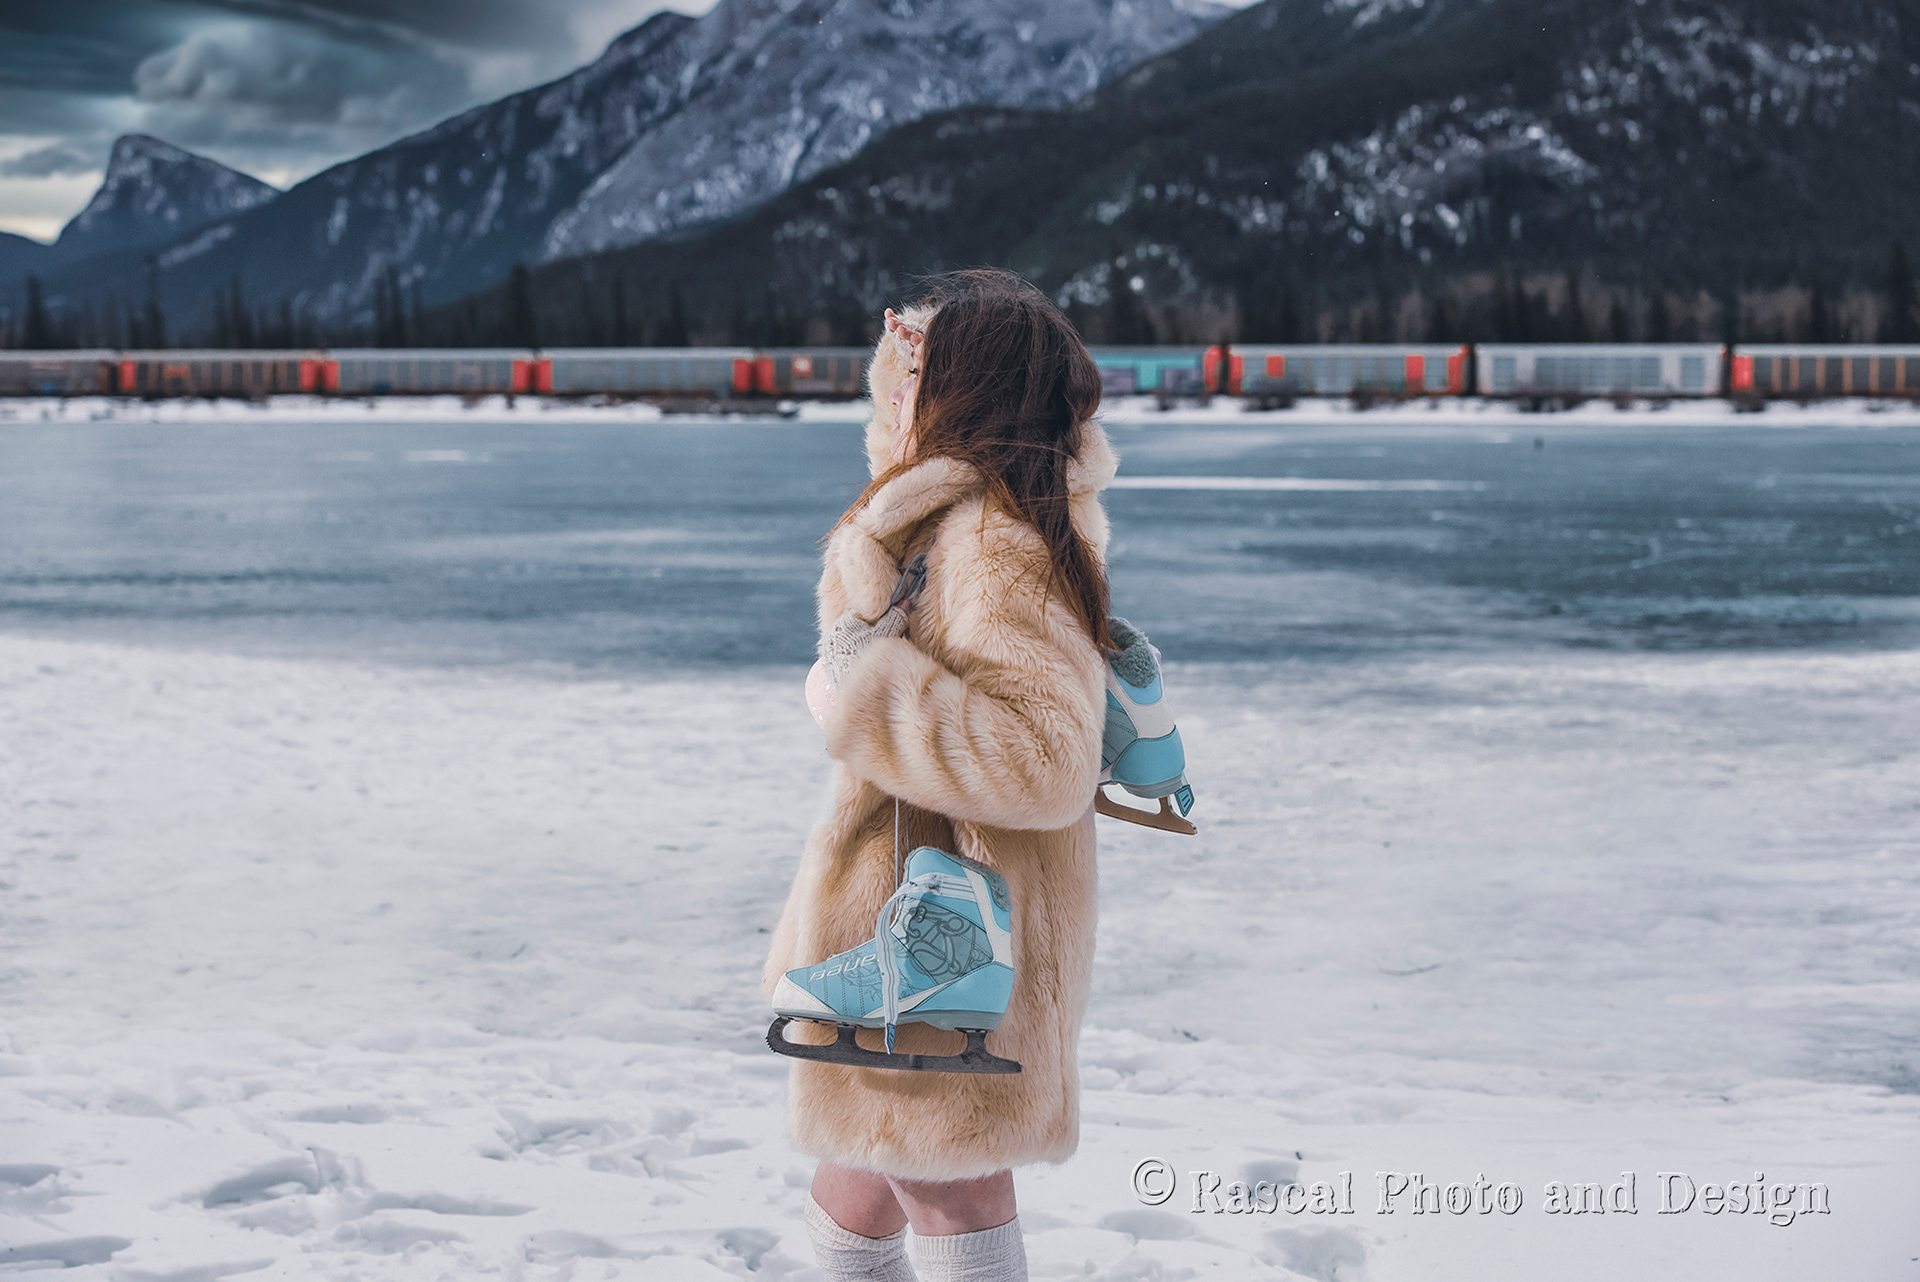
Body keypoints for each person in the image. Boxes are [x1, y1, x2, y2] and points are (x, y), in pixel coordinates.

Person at [764, 268, 1118, 1282]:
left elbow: (1044, 761)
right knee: (861, 1176)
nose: (896, 395)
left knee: (948, 1179)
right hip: (908, 920)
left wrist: (867, 695)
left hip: (950, 935)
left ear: (966, 390)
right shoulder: (947, 524)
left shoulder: (994, 544)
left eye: (915, 375)